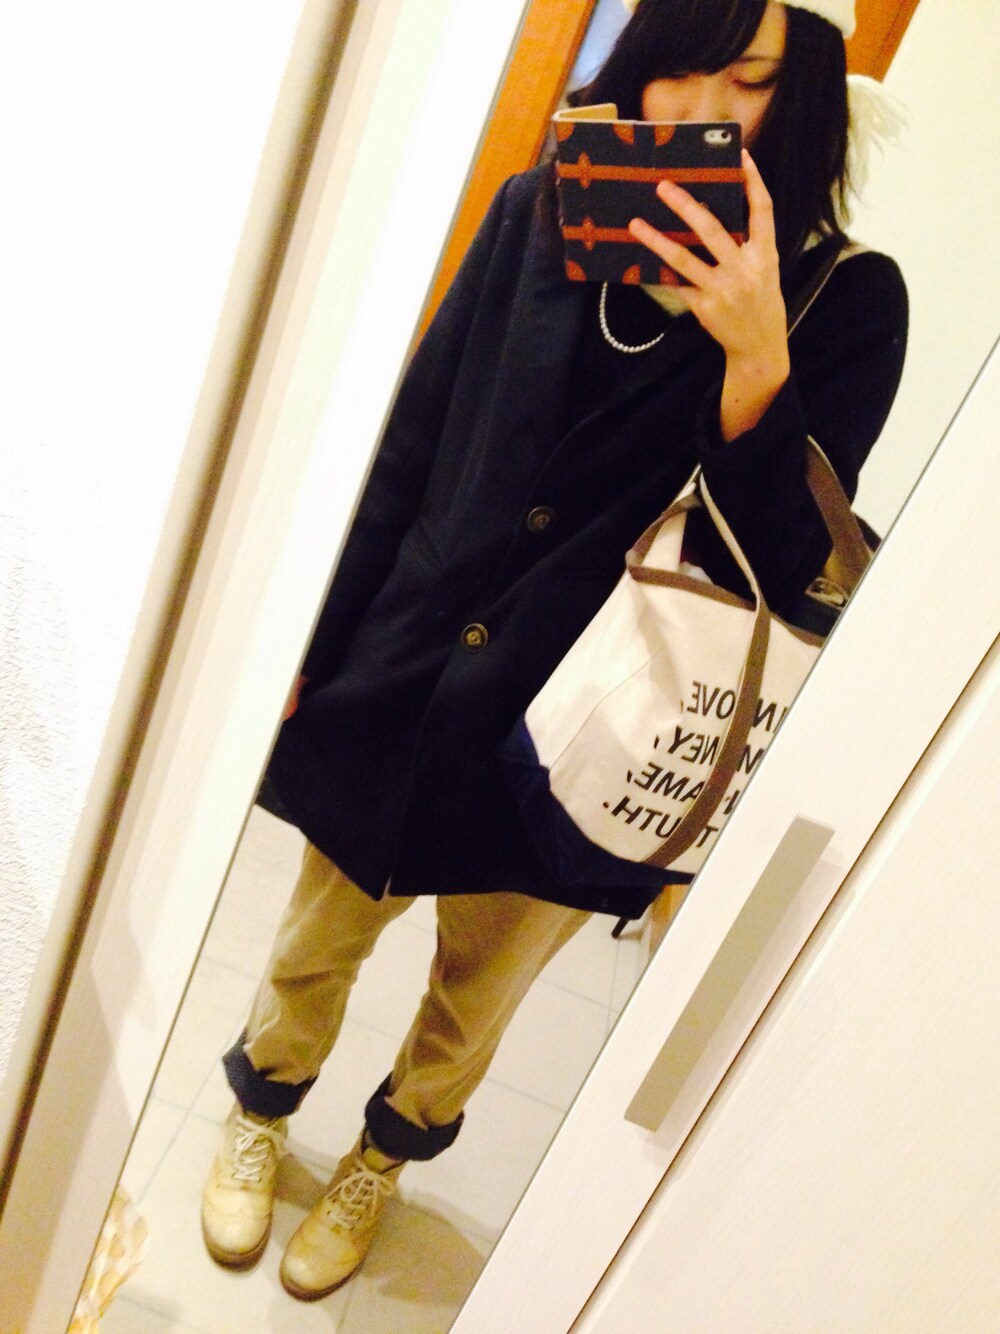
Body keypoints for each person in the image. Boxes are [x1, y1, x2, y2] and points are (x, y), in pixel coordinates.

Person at [201, 0, 908, 1301]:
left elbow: (778, 562)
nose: (699, 110)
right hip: (414, 666)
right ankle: (261, 1105)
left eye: (747, 79)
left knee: (477, 993)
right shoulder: (542, 210)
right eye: (677, 68)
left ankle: (382, 1158)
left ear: (803, 90)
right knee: (316, 932)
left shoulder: (848, 297)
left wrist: (758, 352)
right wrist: (318, 638)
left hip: (584, 727)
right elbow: (416, 437)